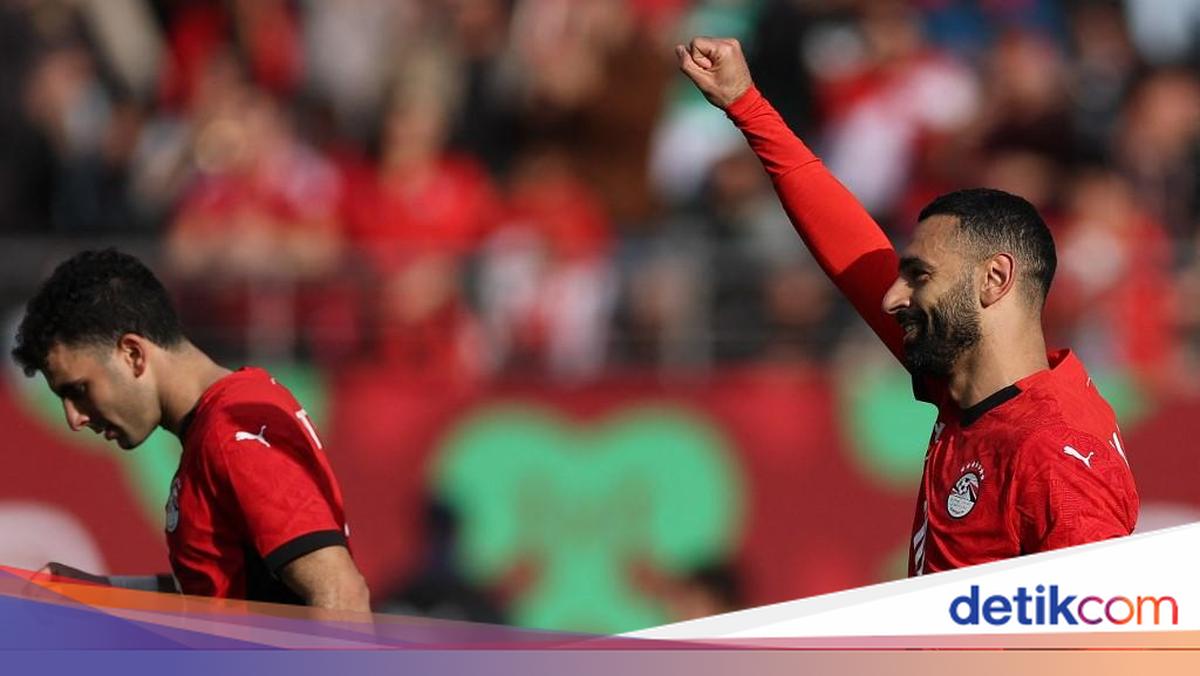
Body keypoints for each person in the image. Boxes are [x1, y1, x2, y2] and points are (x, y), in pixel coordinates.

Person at [675, 37, 1139, 575]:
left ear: (994, 280)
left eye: (919, 277)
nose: (892, 297)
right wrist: (746, 104)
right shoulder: (967, 383)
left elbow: (1094, 625)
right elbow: (852, 249)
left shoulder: (1055, 453)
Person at [11, 249, 370, 609]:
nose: (75, 418)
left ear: (133, 354)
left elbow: (341, 594)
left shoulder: (234, 434)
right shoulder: (212, 431)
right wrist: (95, 590)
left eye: (79, 390)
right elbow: (215, 598)